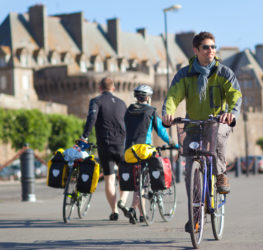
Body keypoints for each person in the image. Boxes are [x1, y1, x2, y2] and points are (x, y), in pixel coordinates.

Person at [162, 31, 242, 195]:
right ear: (196, 50)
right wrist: (167, 113)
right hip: (194, 124)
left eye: (213, 47)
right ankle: (196, 214)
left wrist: (232, 113)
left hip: (219, 121)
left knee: (218, 136)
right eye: (206, 47)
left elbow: (235, 95)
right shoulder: (185, 74)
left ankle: (220, 174)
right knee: (191, 167)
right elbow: (172, 97)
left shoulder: (224, 73)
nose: (211, 50)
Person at [120, 84, 176, 224]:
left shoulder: (128, 111)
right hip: (144, 150)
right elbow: (161, 132)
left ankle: (141, 213)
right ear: (148, 98)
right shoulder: (151, 111)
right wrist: (173, 143)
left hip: (129, 151)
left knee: (138, 181)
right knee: (146, 180)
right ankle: (134, 208)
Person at [80, 77, 129, 221]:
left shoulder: (96, 101)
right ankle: (123, 202)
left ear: (100, 88)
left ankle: (114, 211)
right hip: (121, 143)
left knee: (109, 178)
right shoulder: (122, 103)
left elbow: (91, 119)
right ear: (113, 88)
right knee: (124, 175)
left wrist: (85, 136)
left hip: (105, 143)